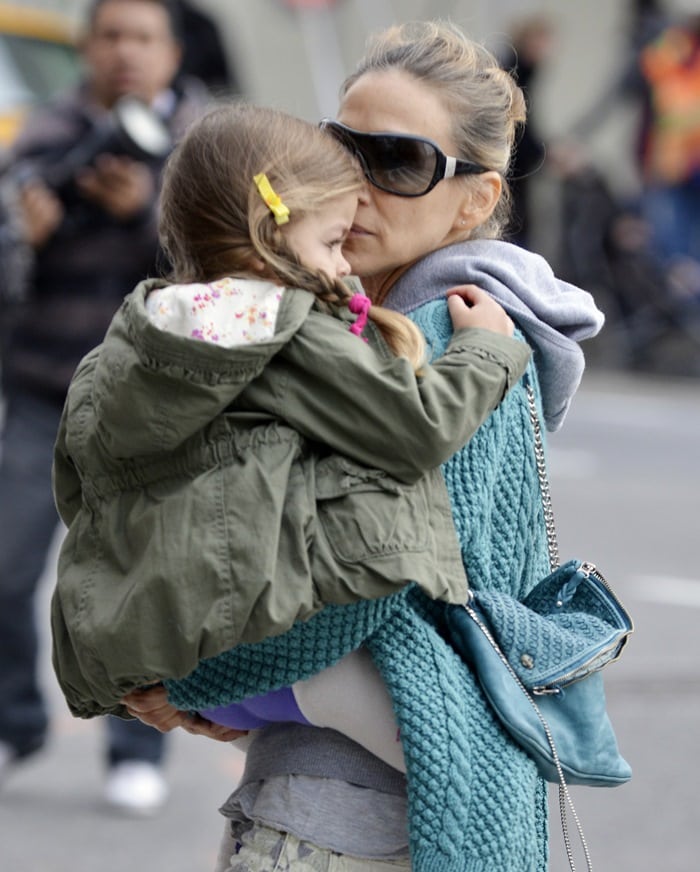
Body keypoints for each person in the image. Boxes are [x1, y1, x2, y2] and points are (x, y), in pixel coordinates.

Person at [125, 20, 605, 872]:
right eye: (342, 147)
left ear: (477, 200)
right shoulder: (420, 329)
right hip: (378, 804)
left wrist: (196, 684)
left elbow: (360, 592)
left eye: (401, 162)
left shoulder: (437, 340)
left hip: (343, 828)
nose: (359, 182)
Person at [50, 101, 529, 775]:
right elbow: (415, 427)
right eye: (332, 242)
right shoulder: (285, 324)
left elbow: (79, 491)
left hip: (152, 638)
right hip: (267, 634)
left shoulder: (132, 338)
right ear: (269, 230)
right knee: (486, 758)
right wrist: (485, 351)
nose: (342, 269)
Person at [0, 0, 209, 814]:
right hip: (41, 389)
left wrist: (144, 216)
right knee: (7, 571)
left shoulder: (204, 143)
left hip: (149, 405)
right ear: (88, 45)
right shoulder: (44, 135)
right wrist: (27, 237)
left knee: (141, 587)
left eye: (143, 37)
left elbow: (233, 262)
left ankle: (136, 744)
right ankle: (15, 723)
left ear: (171, 49)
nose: (126, 52)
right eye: (112, 35)